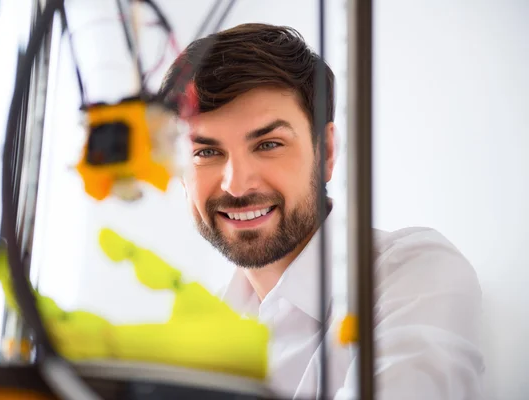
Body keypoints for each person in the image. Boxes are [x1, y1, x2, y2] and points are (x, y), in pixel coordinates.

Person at [159, 23, 485, 399]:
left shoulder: (414, 273)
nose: (237, 184)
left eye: (268, 144)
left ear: (326, 152)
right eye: (206, 152)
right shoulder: (200, 330)